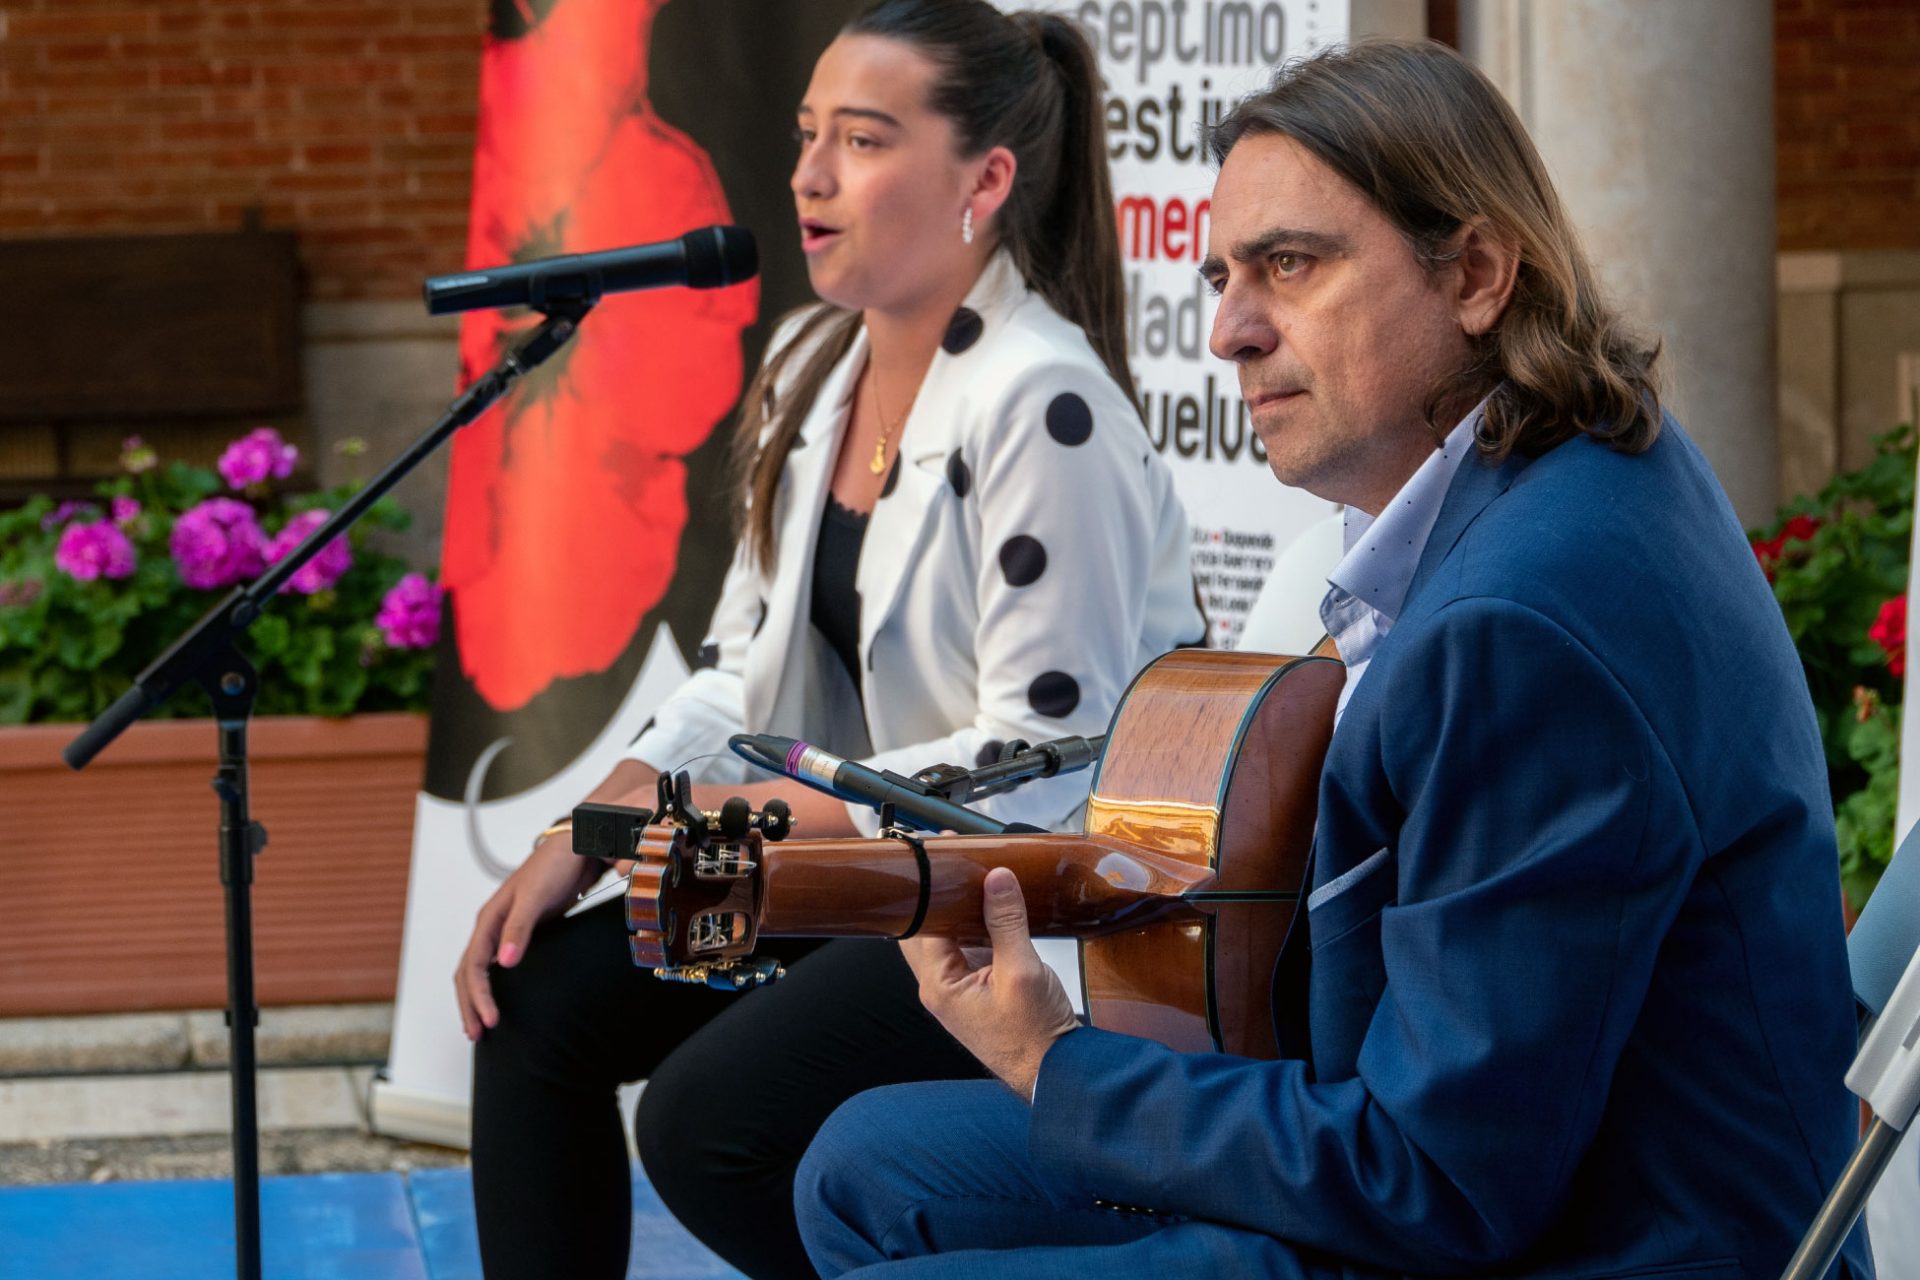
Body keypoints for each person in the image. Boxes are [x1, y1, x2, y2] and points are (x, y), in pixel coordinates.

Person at [795, 39, 1875, 1280]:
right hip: (1490, 1169)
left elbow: (1439, 1183)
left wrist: (1054, 1057)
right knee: (866, 1164)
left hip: (1588, 1241)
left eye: (1291, 265)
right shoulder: (1573, 469)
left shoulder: (1519, 621)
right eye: (1223, 276)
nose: (1229, 332)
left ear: (1476, 274)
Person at [452, 3, 1204, 1277]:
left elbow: (1039, 767)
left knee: (706, 1124)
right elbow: (738, 667)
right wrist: (600, 815)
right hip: (852, 868)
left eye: (860, 140)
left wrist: (725, 814)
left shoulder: (1045, 400)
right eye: (809, 136)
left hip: (1014, 900)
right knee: (535, 1003)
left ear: (985, 181)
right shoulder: (813, 359)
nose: (807, 176)